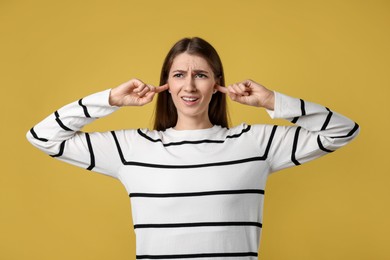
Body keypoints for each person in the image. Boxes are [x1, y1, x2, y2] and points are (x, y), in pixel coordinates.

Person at [27, 37, 359, 259]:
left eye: (200, 75)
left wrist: (272, 101)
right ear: (166, 84)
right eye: (178, 75)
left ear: (216, 84)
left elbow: (342, 131)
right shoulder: (131, 149)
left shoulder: (256, 143)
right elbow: (43, 137)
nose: (189, 85)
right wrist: (111, 100)